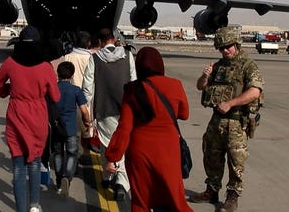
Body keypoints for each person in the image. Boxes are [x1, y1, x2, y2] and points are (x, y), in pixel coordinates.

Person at [104, 47, 193, 212]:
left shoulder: (132, 89)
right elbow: (184, 114)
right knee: (175, 198)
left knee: (140, 200)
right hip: (169, 150)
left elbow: (124, 127)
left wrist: (113, 156)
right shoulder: (175, 85)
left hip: (140, 151)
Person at [189, 26, 264, 212]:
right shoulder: (219, 66)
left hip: (236, 121)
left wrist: (231, 103)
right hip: (217, 120)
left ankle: (232, 196)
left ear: (236, 44)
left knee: (236, 160)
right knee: (211, 155)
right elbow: (200, 87)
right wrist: (205, 76)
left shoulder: (248, 65)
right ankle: (211, 190)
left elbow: (255, 91)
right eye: (221, 48)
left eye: (228, 46)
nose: (225, 50)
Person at [0, 26, 61, 212]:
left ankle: (21, 208)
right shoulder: (46, 66)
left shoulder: (10, 63)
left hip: (16, 114)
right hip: (37, 115)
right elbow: (56, 97)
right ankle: (35, 205)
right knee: (35, 162)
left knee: (18, 166)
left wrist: (10, 92)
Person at [82, 28, 136, 201]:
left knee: (107, 144)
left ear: (100, 42)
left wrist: (86, 112)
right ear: (114, 39)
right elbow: (134, 82)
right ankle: (121, 182)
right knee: (123, 144)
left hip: (104, 109)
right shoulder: (128, 56)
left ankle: (107, 177)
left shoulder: (95, 58)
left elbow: (87, 87)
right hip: (125, 108)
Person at [52, 61, 92, 198]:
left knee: (57, 154)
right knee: (72, 154)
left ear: (58, 73)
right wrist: (87, 122)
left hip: (56, 127)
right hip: (71, 128)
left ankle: (58, 181)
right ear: (72, 75)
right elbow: (84, 110)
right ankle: (67, 177)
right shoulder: (76, 90)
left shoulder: (53, 89)